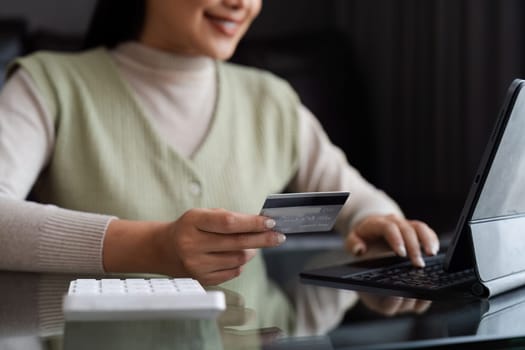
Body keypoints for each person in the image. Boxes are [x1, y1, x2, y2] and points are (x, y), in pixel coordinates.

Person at [0, 0, 439, 290]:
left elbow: (357, 200)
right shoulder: (48, 84)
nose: (242, 3)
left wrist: (380, 222)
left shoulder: (272, 99)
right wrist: (155, 247)